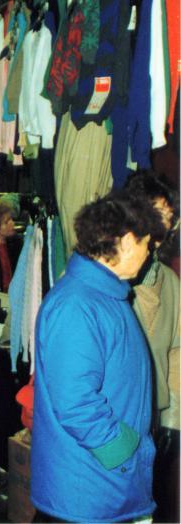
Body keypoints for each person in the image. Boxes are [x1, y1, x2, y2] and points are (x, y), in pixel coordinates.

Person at [31, 193, 165, 522]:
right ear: (129, 242)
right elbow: (75, 402)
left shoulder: (104, 294)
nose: (149, 254)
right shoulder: (78, 304)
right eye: (147, 244)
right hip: (88, 490)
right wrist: (123, 450)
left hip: (100, 483)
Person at [123, 169, 180, 524]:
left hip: (153, 428)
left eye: (169, 222)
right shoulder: (103, 281)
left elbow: (176, 352)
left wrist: (173, 424)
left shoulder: (170, 282)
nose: (164, 232)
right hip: (110, 430)